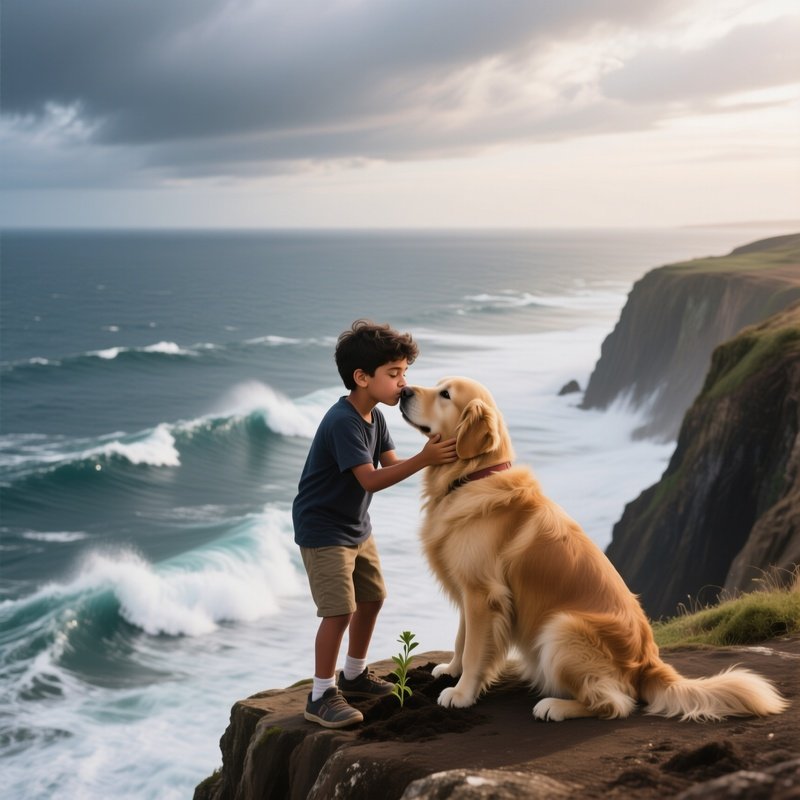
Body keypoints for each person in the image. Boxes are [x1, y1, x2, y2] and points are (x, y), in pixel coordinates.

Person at [293, 319, 457, 728]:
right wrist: (425, 459)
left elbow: (391, 464)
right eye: (394, 373)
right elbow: (370, 479)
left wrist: (439, 461)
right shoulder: (343, 421)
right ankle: (321, 694)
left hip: (355, 526)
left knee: (373, 597)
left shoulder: (374, 416)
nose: (404, 383)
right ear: (361, 377)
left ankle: (354, 675)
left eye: (405, 372)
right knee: (338, 612)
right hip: (324, 530)